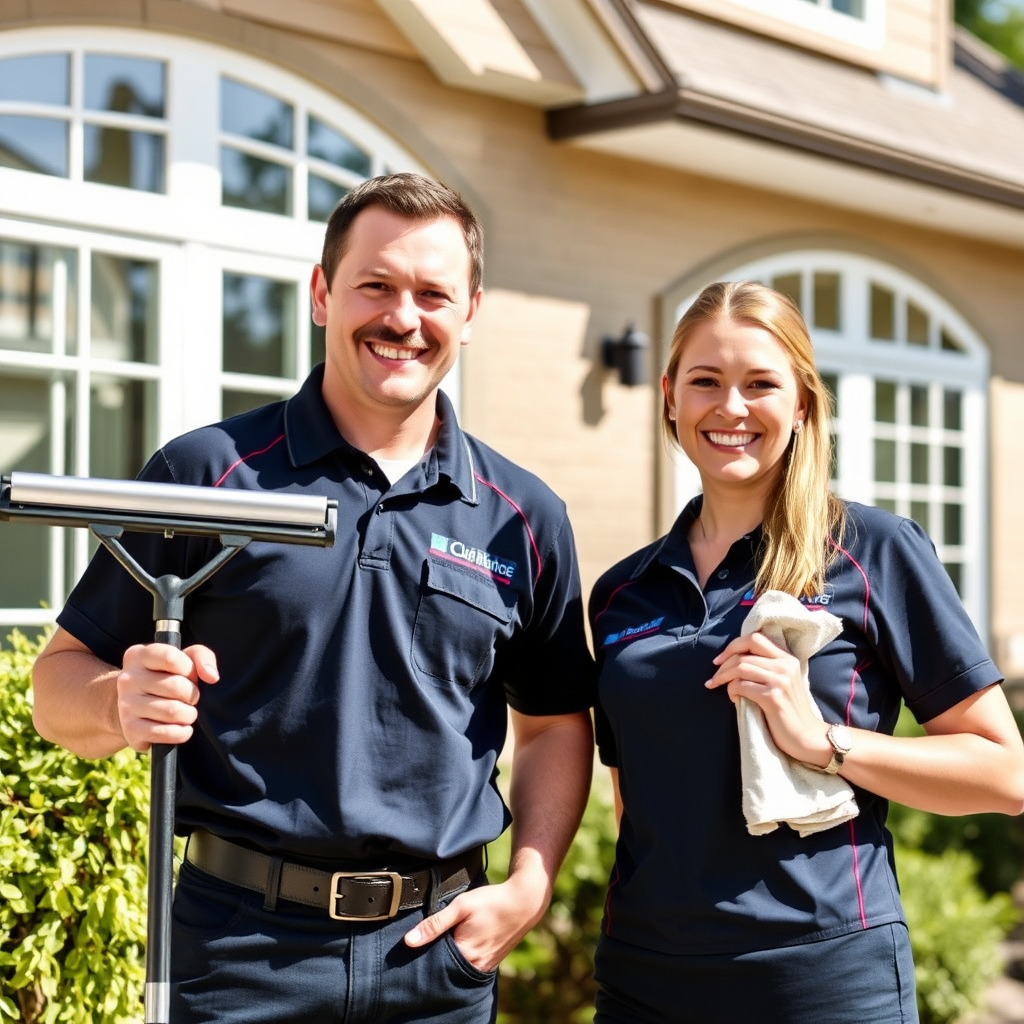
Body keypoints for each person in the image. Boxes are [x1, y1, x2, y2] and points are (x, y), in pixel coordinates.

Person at [31, 172, 595, 1024]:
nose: (403, 318)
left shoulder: (523, 516)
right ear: (323, 294)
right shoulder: (208, 474)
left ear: (470, 314)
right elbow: (56, 686)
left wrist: (530, 883)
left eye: (433, 294)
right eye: (376, 285)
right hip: (237, 950)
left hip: (435, 961)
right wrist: (117, 701)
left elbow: (553, 722)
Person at [588, 279, 1024, 1024]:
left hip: (819, 978)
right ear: (668, 396)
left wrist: (822, 741)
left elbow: (1004, 773)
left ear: (802, 404)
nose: (731, 407)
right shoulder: (621, 591)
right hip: (645, 977)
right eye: (705, 381)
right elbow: (637, 799)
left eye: (761, 383)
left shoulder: (873, 552)